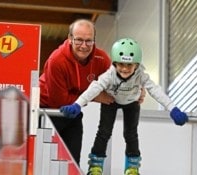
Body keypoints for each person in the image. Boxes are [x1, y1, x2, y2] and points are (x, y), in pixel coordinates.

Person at [60, 38, 189, 175]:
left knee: (131, 134)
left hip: (131, 102)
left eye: (129, 65)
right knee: (104, 133)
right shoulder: (109, 75)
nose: (125, 69)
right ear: (115, 63)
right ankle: (96, 165)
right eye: (121, 64)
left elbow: (155, 91)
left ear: (137, 65)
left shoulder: (141, 76)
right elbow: (94, 88)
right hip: (111, 101)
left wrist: (173, 109)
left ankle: (132, 166)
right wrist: (77, 105)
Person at [39, 19, 115, 165]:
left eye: (89, 41)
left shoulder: (101, 58)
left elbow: (116, 82)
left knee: (73, 163)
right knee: (45, 163)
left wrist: (136, 93)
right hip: (47, 112)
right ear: (69, 39)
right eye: (79, 40)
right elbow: (58, 102)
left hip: (73, 112)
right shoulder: (56, 60)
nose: (84, 46)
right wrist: (93, 96)